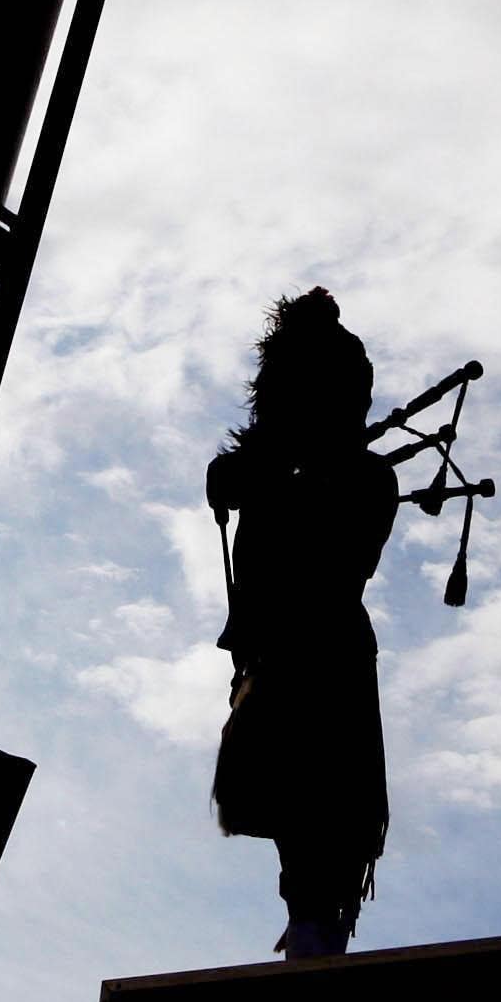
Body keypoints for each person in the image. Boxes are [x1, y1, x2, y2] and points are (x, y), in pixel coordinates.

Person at [205, 288, 400, 959]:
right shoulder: (268, 475)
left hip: (325, 647)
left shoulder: (363, 478)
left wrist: (297, 480)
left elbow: (346, 561)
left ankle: (319, 918)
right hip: (278, 652)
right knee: (304, 800)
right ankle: (312, 916)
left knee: (325, 801)